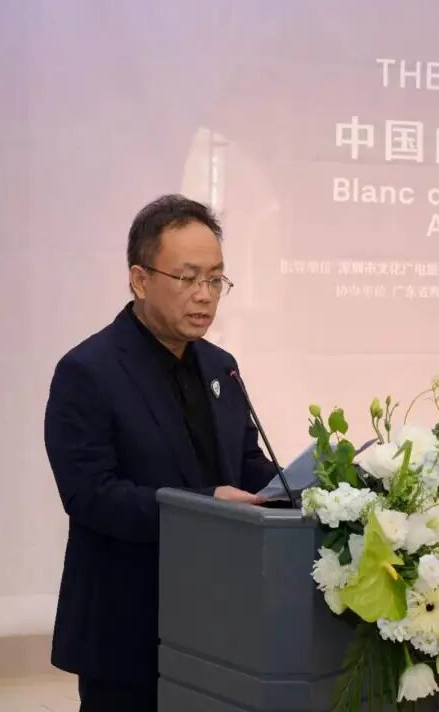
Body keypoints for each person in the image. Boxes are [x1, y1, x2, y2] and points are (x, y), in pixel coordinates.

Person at [44, 194, 279, 711]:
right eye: (188, 278)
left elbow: (246, 463)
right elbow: (91, 495)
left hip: (220, 621)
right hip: (127, 625)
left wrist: (305, 487)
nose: (205, 296)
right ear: (140, 279)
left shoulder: (220, 365)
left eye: (215, 280)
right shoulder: (88, 371)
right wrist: (205, 505)